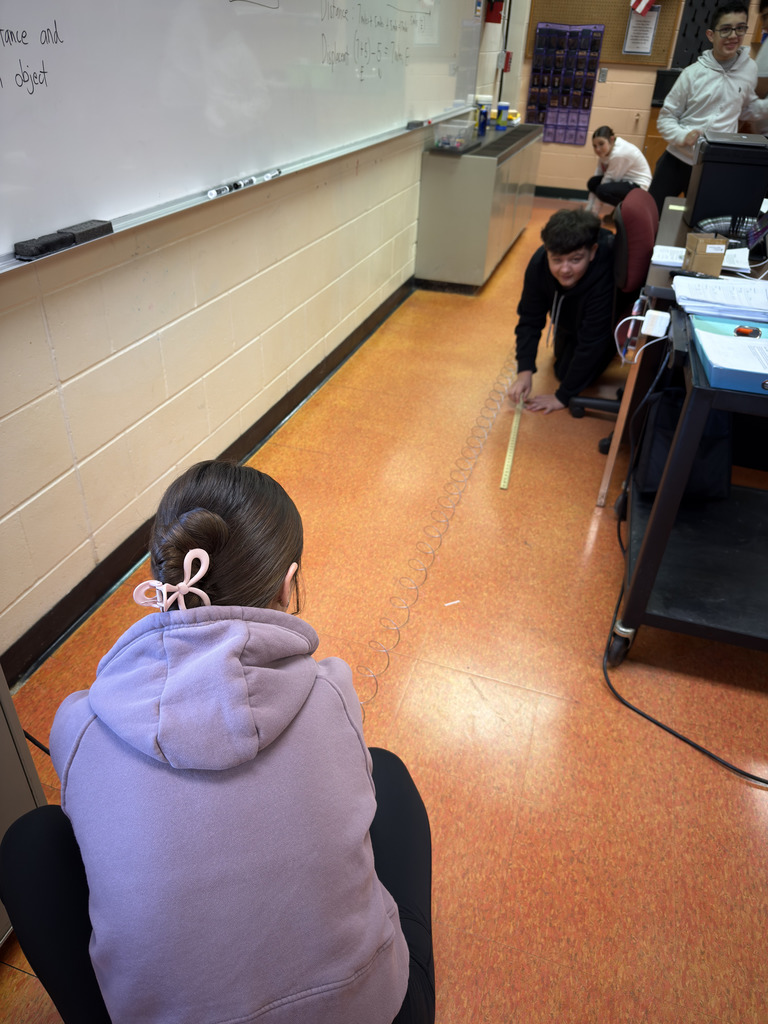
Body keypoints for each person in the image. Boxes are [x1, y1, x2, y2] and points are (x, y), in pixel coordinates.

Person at [3, 461, 434, 1024]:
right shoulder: (332, 692)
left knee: (31, 842)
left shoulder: (80, 724)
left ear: (162, 586)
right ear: (288, 584)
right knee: (388, 774)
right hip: (373, 1014)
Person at [648, 1, 768, 213]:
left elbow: (747, 109)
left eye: (740, 28)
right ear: (711, 35)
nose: (733, 35)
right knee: (654, 215)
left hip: (715, 163)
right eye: (726, 29)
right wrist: (683, 136)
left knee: (702, 223)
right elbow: (666, 118)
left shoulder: (749, 69)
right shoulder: (692, 74)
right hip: (677, 159)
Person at [507, 208, 616, 415]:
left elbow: (592, 341)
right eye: (556, 260)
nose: (564, 269)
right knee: (561, 367)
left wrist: (562, 396)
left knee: (570, 374)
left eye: (575, 260)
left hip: (600, 328)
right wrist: (524, 370)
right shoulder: (539, 265)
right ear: (547, 251)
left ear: (592, 252)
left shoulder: (605, 274)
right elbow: (530, 319)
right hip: (568, 318)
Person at [585, 126, 652, 214]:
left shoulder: (618, 154)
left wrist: (594, 211)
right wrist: (588, 207)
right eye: (594, 146)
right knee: (592, 182)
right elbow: (599, 173)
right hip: (623, 179)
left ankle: (630, 210)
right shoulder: (607, 149)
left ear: (611, 139)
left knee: (602, 191)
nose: (598, 149)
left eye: (601, 144)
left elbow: (609, 179)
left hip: (638, 186)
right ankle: (590, 213)